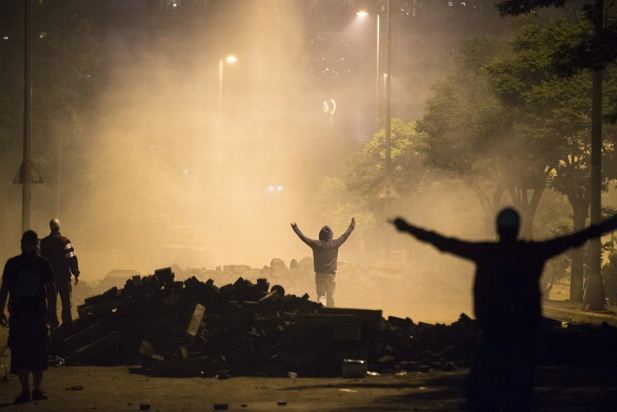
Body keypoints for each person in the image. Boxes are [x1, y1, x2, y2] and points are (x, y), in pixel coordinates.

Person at [391, 208, 617, 411]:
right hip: (522, 338)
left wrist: (408, 228)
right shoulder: (532, 253)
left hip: (492, 336)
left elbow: (445, 242)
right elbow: (576, 238)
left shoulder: (487, 253)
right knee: (519, 396)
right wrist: (610, 223)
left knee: (480, 395)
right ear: (517, 228)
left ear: (497, 228)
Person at [0, 230, 57, 404]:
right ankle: (37, 390)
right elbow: (51, 291)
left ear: (21, 244)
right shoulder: (44, 264)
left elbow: (5, 289)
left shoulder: (12, 264)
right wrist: (52, 312)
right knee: (38, 351)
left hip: (19, 315)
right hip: (37, 315)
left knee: (20, 352)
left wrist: (0, 310)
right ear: (37, 244)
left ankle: (25, 391)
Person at [291, 218, 355, 307]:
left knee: (321, 296)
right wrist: (352, 225)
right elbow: (345, 235)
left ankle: (321, 312)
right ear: (331, 235)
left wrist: (295, 228)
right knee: (331, 296)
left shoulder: (316, 244)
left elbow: (303, 238)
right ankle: (332, 313)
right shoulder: (335, 244)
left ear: (320, 235)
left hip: (320, 274)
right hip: (331, 275)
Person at [40, 218, 79, 326]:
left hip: (49, 278)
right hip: (63, 276)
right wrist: (75, 272)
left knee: (51, 302)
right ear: (59, 227)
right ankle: (67, 325)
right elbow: (71, 258)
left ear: (50, 227)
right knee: (66, 302)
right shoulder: (65, 241)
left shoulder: (43, 243)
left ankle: (53, 325)